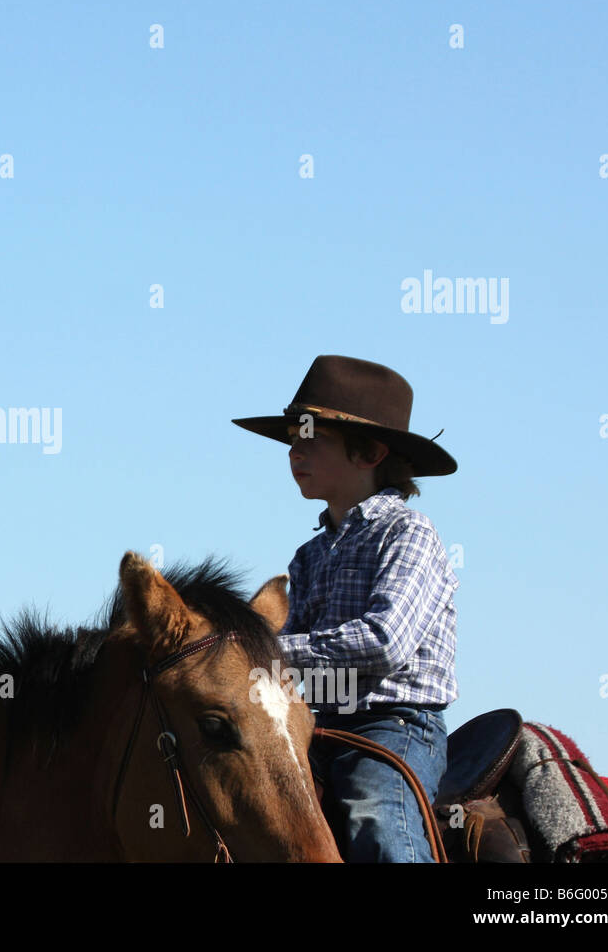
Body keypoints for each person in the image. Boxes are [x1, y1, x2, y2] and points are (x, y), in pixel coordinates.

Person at [232, 355, 459, 862]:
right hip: (319, 723)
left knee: (375, 816)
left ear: (371, 451)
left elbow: (383, 643)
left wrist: (259, 651)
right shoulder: (309, 555)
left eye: (311, 438)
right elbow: (287, 669)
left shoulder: (408, 533)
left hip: (394, 724)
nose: (295, 451)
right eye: (293, 439)